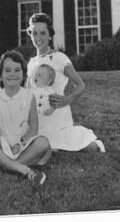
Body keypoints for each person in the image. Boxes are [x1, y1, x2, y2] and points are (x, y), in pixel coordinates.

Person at [26, 13, 105, 152]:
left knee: (82, 146)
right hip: (37, 117)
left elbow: (81, 85)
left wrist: (67, 99)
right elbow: (27, 92)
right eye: (34, 33)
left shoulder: (59, 58)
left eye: (43, 33)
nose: (38, 38)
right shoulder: (31, 63)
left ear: (50, 35)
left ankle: (86, 142)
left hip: (57, 117)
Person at [0, 51, 51, 184]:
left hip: (23, 146)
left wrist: (21, 144)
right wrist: (5, 145)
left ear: (23, 74)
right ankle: (25, 170)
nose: (12, 74)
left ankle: (1, 166)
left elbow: (34, 127)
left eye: (17, 70)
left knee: (43, 143)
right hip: (2, 145)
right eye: (7, 70)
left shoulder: (29, 96)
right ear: (0, 76)